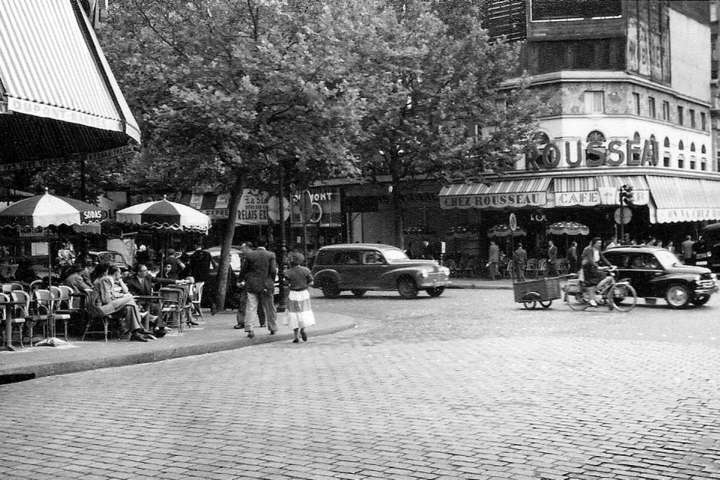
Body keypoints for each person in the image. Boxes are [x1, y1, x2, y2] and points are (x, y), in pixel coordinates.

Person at [92, 263, 154, 342]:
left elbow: (117, 292)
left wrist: (121, 290)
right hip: (103, 308)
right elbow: (106, 299)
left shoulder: (111, 280)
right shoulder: (106, 279)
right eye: (120, 273)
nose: (121, 275)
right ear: (116, 273)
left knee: (129, 307)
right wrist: (122, 297)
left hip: (110, 305)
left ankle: (136, 333)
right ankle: (139, 320)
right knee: (130, 297)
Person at [238, 242, 276, 338]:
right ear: (265, 246)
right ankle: (272, 327)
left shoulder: (250, 255)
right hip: (266, 284)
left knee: (251, 307)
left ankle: (250, 328)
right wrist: (271, 280)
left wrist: (240, 280)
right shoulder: (271, 255)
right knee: (269, 307)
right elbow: (273, 270)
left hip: (252, 284)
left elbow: (244, 270)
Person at [284, 252, 316, 343]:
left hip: (293, 294)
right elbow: (311, 282)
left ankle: (295, 336)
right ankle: (303, 329)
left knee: (294, 314)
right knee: (304, 312)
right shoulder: (305, 270)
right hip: (304, 293)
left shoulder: (288, 272)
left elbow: (286, 284)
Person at [581, 237, 609, 307]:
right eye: (598, 243)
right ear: (594, 243)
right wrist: (597, 267)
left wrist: (610, 265)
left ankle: (597, 292)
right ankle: (591, 299)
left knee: (604, 275)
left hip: (594, 267)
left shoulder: (598, 249)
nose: (600, 244)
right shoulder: (589, 249)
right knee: (592, 282)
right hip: (588, 268)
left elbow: (603, 258)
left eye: (600, 243)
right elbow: (590, 260)